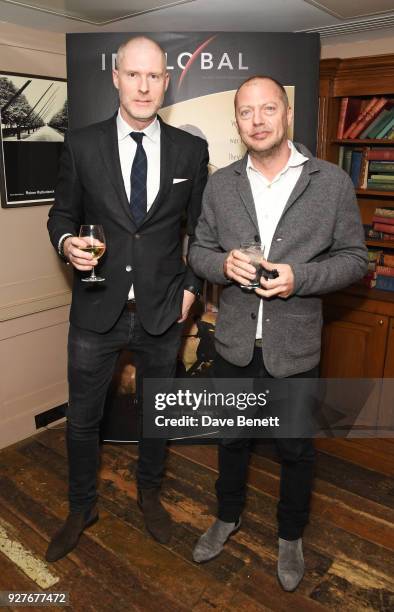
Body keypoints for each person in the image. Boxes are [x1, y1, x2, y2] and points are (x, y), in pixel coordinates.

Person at [188, 75, 367, 591]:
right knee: (231, 440)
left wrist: (300, 278)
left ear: (287, 114)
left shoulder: (329, 181)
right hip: (234, 346)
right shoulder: (220, 183)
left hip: (295, 350)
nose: (258, 121)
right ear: (237, 121)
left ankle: (291, 535)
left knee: (295, 449)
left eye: (269, 109)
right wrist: (221, 264)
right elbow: (197, 250)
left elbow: (355, 259)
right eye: (247, 112)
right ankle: (227, 516)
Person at [46, 36, 208, 562]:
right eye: (132, 75)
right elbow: (61, 216)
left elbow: (202, 232)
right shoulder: (81, 144)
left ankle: (149, 496)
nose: (143, 86)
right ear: (115, 78)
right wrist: (68, 244)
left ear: (166, 82)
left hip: (164, 312)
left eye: (153, 76)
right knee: (83, 418)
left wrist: (191, 289)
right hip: (96, 311)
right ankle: (80, 506)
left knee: (156, 416)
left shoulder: (190, 150)